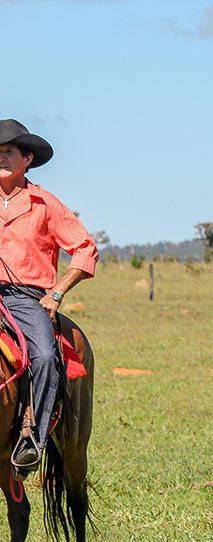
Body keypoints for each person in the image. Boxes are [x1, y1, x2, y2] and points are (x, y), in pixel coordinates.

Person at [0, 119, 98, 476]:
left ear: (27, 158)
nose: (1, 158)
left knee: (42, 356)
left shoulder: (45, 203)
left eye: (8, 152)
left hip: (26, 298)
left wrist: (56, 293)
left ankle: (31, 438)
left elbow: (85, 249)